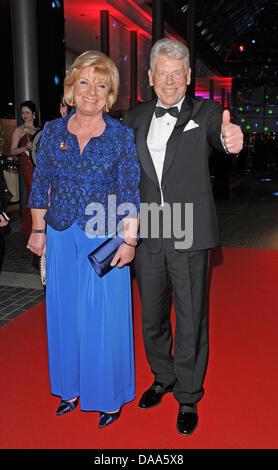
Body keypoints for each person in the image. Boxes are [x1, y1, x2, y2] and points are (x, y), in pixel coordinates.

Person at [123, 38, 243, 435]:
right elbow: (119, 171)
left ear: (189, 77)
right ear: (150, 77)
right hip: (149, 227)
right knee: (152, 313)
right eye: (163, 73)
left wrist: (230, 140)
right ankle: (163, 375)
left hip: (189, 226)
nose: (170, 81)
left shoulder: (206, 112)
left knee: (191, 315)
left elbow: (220, 134)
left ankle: (188, 394)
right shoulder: (133, 118)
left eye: (179, 73)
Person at [27, 50, 140, 428]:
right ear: (72, 87)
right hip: (60, 235)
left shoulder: (122, 137)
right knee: (63, 313)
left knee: (104, 318)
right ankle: (69, 388)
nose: (91, 91)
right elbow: (41, 182)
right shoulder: (54, 132)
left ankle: (108, 395)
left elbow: (129, 192)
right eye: (84, 82)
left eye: (101, 84)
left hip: (104, 238)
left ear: (110, 94)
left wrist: (129, 241)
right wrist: (38, 230)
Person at [10, 101, 40, 239]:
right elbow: (12, 151)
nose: (24, 115)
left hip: (40, 165)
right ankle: (31, 229)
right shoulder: (19, 130)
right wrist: (26, 148)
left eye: (27, 112)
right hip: (27, 165)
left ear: (34, 114)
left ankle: (41, 226)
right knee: (32, 193)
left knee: (42, 194)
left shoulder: (40, 130)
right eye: (22, 113)